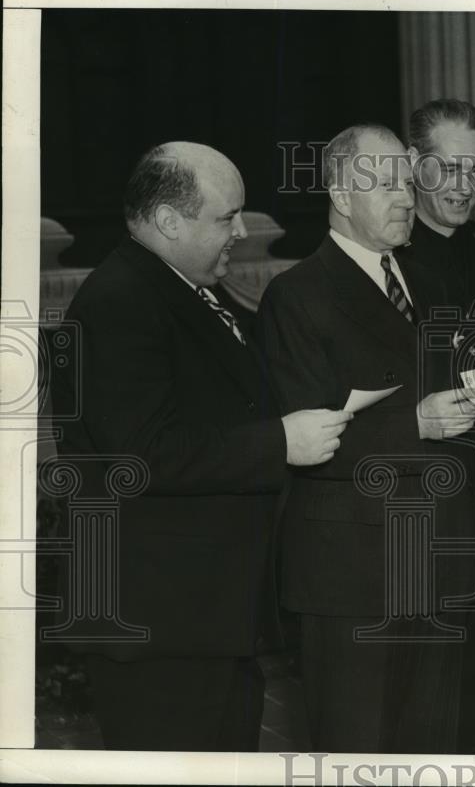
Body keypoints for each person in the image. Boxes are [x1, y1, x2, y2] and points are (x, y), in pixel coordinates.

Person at [50, 141, 349, 751]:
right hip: (158, 624)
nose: (241, 231)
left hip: (201, 616)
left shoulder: (177, 288)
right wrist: (279, 442)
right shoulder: (119, 302)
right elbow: (141, 453)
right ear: (168, 221)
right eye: (225, 217)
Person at [257, 123, 475, 753]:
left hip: (440, 561)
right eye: (383, 183)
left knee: (433, 749)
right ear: (338, 191)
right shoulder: (295, 295)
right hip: (353, 576)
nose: (406, 197)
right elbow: (304, 441)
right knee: (358, 753)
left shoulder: (430, 284)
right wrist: (418, 422)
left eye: (407, 182)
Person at [401, 98, 475, 754]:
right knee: (425, 688)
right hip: (429, 501)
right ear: (416, 167)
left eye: (474, 169)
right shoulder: (390, 250)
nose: (463, 185)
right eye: (447, 168)